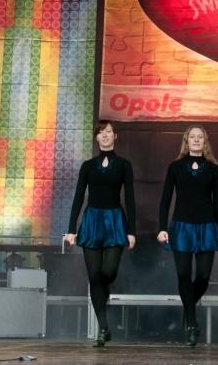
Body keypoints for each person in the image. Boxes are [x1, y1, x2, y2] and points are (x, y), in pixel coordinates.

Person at [65, 120, 136, 347]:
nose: (105, 135)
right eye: (101, 132)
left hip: (114, 220)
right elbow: (78, 197)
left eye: (108, 131)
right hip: (92, 221)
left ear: (115, 136)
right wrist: (71, 229)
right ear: (96, 137)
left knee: (108, 271)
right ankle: (103, 328)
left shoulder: (124, 165)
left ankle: (102, 292)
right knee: (94, 276)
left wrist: (132, 231)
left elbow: (130, 198)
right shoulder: (88, 166)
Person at [157, 125, 218, 347]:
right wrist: (162, 228)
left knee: (204, 277)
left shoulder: (214, 169)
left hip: (207, 227)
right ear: (186, 141)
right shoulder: (175, 167)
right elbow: (166, 199)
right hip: (182, 227)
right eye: (192, 137)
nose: (196, 140)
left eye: (200, 137)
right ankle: (191, 323)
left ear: (205, 141)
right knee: (183, 275)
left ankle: (188, 311)